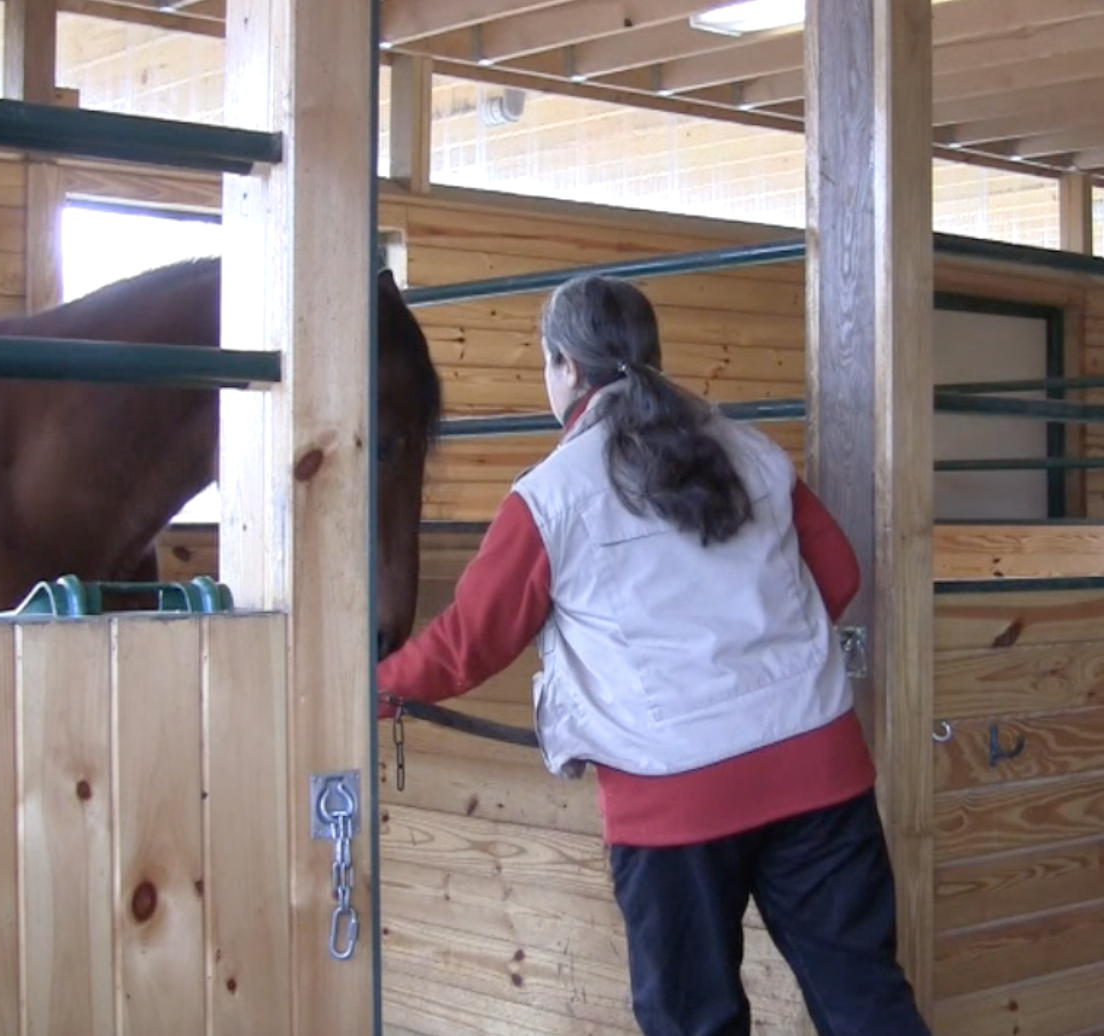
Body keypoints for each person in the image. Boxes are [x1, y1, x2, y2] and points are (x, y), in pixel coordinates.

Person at [375, 274, 933, 1036]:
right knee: (866, 1000)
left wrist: (371, 685)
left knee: (693, 1020)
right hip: (821, 773)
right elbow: (837, 574)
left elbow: (470, 642)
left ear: (567, 367)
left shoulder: (551, 496)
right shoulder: (753, 453)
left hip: (676, 802)